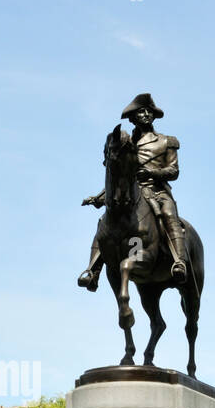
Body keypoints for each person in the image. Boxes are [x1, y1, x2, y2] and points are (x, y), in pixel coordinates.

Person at [79, 93, 189, 287]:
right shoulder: (127, 144)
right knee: (105, 221)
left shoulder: (166, 141)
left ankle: (179, 262)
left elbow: (173, 170)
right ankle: (93, 270)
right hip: (131, 192)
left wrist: (152, 171)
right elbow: (120, 175)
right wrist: (100, 196)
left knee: (169, 213)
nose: (146, 114)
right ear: (132, 118)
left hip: (157, 191)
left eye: (149, 111)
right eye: (141, 112)